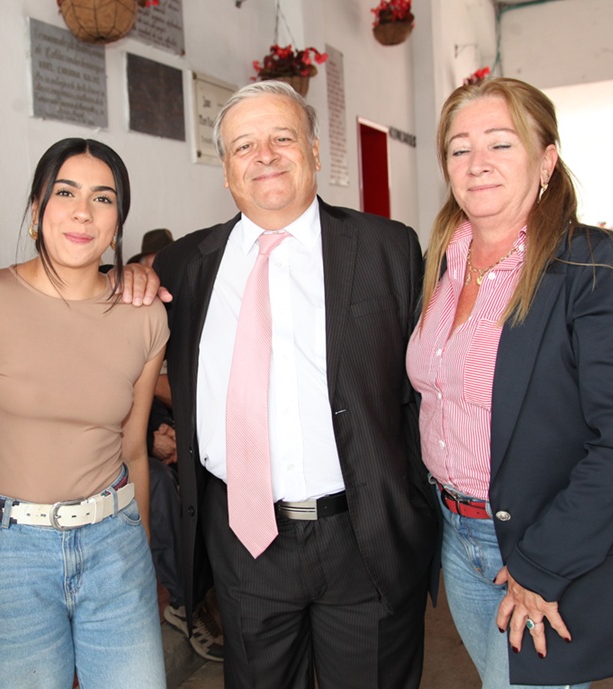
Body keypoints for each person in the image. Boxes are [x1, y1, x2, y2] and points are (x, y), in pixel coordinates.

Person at [152, 81, 437, 689]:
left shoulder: (387, 249)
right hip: (242, 541)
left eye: (282, 137)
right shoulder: (185, 266)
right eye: (244, 146)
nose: (265, 155)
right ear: (226, 170)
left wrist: (412, 510)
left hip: (364, 536)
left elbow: (423, 395)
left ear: (311, 149)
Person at [407, 77, 613, 688]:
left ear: (546, 160)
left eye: (500, 144)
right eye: (459, 148)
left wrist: (543, 565)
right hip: (456, 534)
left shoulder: (596, 263)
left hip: (542, 541)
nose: (477, 164)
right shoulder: (439, 264)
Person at [0, 138, 169, 689]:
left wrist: (137, 554)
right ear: (35, 210)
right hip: (7, 550)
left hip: (114, 542)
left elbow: (133, 449)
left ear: (118, 222)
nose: (82, 211)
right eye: (66, 192)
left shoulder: (144, 316)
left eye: (103, 198)